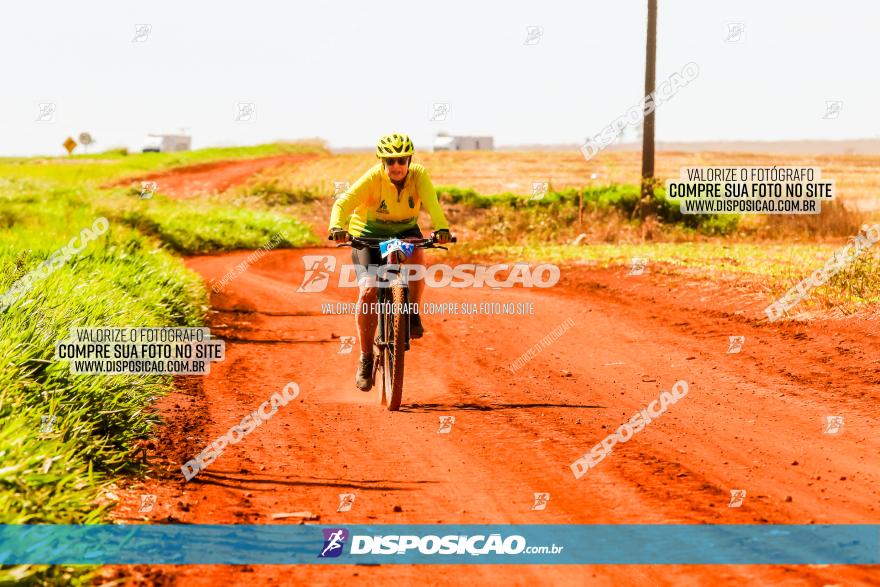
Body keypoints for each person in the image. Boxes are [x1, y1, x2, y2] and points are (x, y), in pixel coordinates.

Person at [328, 133, 451, 391]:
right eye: (390, 161)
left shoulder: (419, 176)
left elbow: (433, 204)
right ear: (382, 162)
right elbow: (343, 203)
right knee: (368, 290)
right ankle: (365, 357)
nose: (396, 166)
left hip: (403, 233)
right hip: (367, 235)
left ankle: (412, 313)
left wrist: (441, 227)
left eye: (401, 160)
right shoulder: (373, 178)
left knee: (418, 253)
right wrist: (337, 226)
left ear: (409, 160)